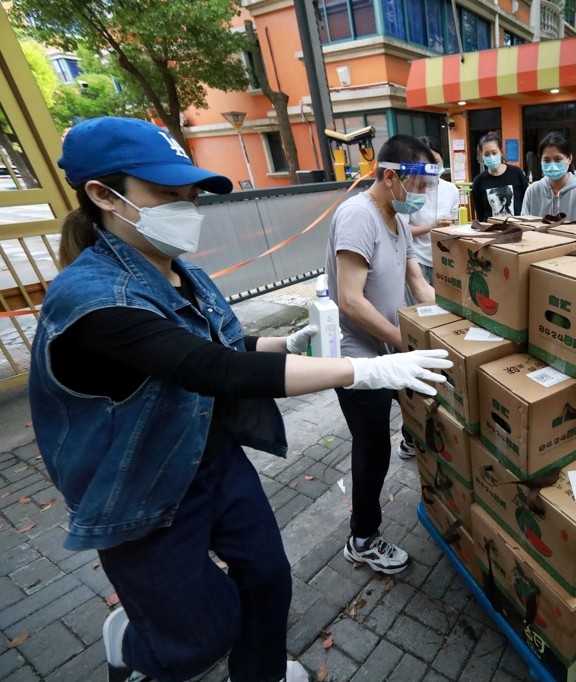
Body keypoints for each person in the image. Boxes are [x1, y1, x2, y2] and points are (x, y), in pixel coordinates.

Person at [29, 117, 452, 682]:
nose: (187, 206)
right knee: (200, 636)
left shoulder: (185, 274)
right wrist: (366, 369)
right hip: (141, 487)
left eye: (190, 193)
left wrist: (281, 341)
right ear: (104, 196)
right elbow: (210, 368)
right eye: (166, 194)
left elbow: (221, 344)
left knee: (268, 578)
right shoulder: (94, 299)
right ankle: (136, 644)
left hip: (213, 459)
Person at [325, 134, 441, 575]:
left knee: (424, 404)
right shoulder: (358, 216)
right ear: (391, 177)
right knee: (373, 446)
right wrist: (400, 340)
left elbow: (419, 284)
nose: (425, 197)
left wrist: (451, 326)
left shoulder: (395, 217)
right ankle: (363, 538)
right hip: (358, 355)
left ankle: (414, 440)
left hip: (390, 346)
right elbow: (350, 300)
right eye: (422, 186)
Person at [405, 136, 461, 305]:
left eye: (435, 162)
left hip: (442, 258)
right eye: (426, 165)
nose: (432, 168)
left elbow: (457, 224)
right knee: (421, 307)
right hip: (416, 259)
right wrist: (432, 227)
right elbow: (402, 230)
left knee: (444, 305)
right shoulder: (410, 191)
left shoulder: (451, 190)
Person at [521, 132, 576, 223]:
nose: (552, 165)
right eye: (546, 160)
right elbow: (525, 225)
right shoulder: (532, 191)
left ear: (569, 159)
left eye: (558, 159)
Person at [470, 132, 527, 221]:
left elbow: (526, 203)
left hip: (517, 230)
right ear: (482, 155)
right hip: (491, 232)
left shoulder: (516, 173)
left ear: (501, 152)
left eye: (494, 152)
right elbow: (480, 213)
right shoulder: (478, 181)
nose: (491, 157)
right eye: (487, 154)